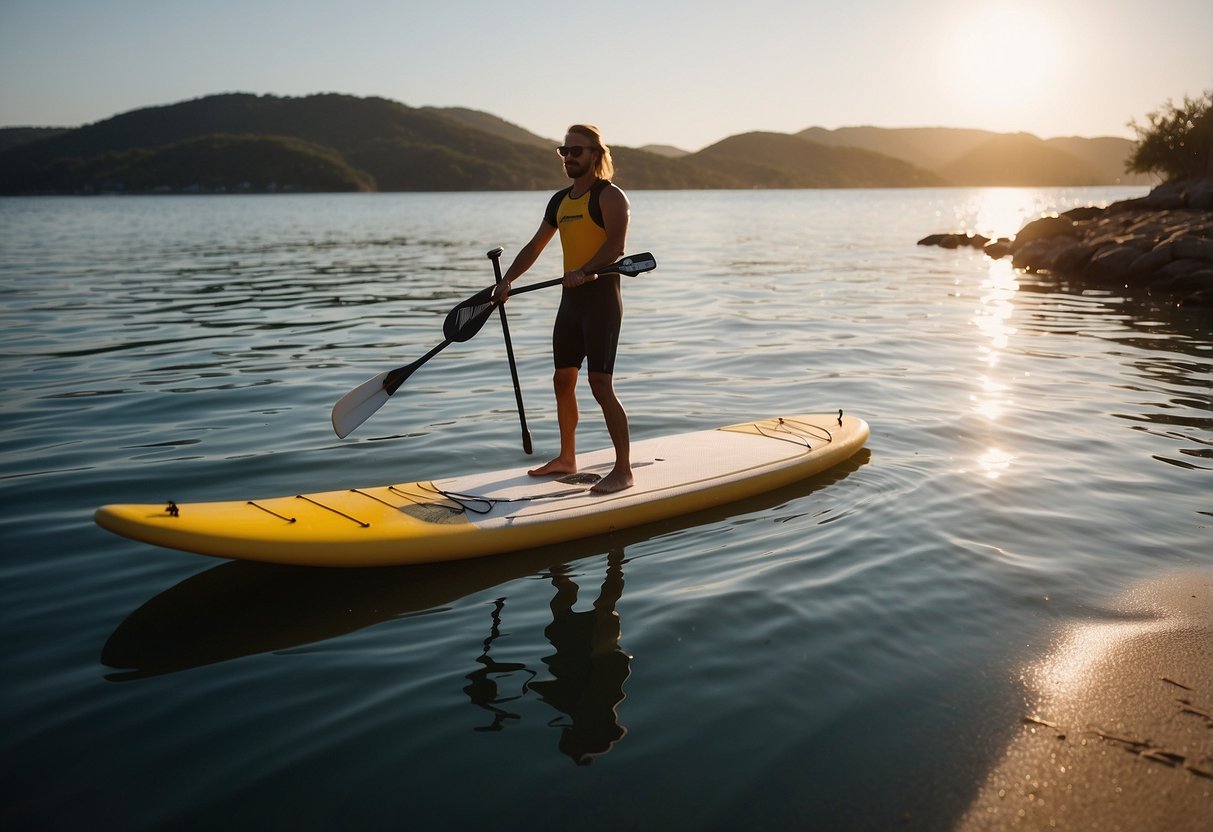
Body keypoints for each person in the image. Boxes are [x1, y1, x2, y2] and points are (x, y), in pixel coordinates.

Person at [492, 124, 633, 494]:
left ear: (595, 155)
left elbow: (616, 247)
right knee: (562, 380)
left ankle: (623, 470)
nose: (568, 157)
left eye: (576, 151)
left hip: (601, 300)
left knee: (600, 384)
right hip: (571, 302)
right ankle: (567, 457)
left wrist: (585, 271)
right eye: (564, 151)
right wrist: (506, 281)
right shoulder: (559, 201)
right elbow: (535, 246)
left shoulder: (610, 196)